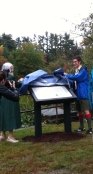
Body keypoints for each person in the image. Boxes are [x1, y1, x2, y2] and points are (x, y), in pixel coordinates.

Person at [64, 55, 92, 134]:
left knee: (86, 110)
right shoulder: (76, 71)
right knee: (79, 111)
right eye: (73, 62)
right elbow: (74, 81)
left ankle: (90, 129)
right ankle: (81, 127)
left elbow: (78, 78)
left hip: (83, 93)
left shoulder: (83, 70)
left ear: (79, 62)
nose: (74, 63)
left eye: (75, 61)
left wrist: (68, 75)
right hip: (77, 94)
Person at [0, 62, 23, 143]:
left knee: (3, 116)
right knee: (10, 116)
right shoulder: (10, 77)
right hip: (10, 99)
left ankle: (2, 135)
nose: (12, 69)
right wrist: (21, 81)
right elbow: (18, 85)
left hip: (2, 100)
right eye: (11, 68)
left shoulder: (2, 76)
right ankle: (10, 136)